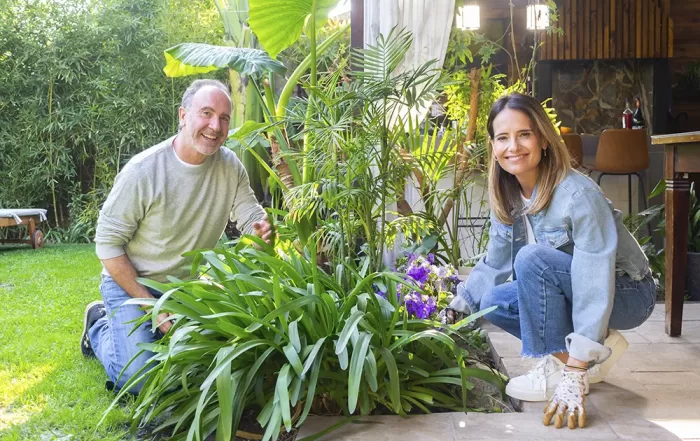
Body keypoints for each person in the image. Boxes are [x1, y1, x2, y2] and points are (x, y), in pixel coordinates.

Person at [444, 93, 655, 429]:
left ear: (542, 139)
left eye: (524, 134)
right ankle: (583, 354)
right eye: (503, 138)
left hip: (627, 293)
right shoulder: (509, 194)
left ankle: (572, 366)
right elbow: (494, 265)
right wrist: (455, 312)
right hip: (580, 287)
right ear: (494, 148)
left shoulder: (577, 195)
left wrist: (574, 376)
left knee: (532, 260)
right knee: (494, 301)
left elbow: (594, 276)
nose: (513, 146)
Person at [79, 79, 272, 393]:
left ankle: (141, 331)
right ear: (183, 115)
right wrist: (150, 306)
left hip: (183, 287)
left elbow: (252, 217)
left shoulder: (229, 167)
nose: (215, 125)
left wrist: (263, 230)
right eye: (206, 113)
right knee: (139, 379)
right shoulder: (143, 171)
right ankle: (99, 324)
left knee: (201, 365)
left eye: (224, 118)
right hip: (130, 284)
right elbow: (107, 245)